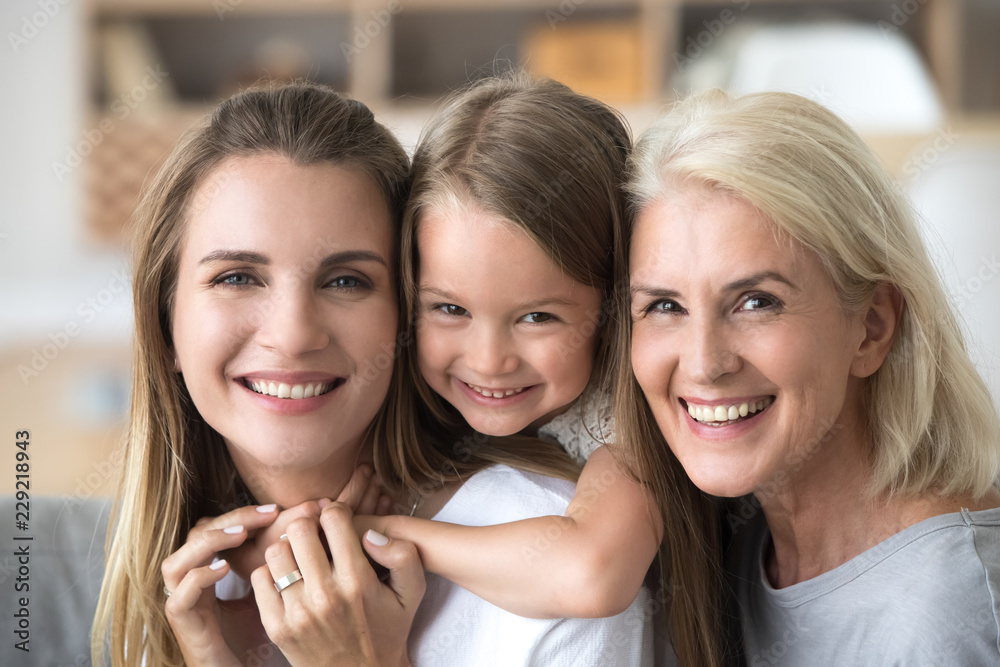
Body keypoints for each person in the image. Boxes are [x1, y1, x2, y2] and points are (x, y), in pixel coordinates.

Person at [617, 89, 1000, 665]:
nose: (703, 364)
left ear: (871, 328)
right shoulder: (737, 541)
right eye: (665, 306)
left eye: (756, 302)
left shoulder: (945, 611)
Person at [91, 81, 425, 667]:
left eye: (346, 280)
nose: (294, 334)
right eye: (238, 277)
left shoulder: (524, 557)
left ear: (408, 311)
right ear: (165, 323)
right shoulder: (192, 593)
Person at [357, 72, 658, 665]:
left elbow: (590, 576)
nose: (489, 360)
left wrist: (381, 533)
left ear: (612, 305)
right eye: (449, 309)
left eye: (538, 317)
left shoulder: (626, 429)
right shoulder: (405, 414)